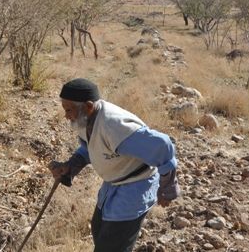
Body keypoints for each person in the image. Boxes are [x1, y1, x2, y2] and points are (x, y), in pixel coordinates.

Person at [49, 78, 180, 252]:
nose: (66, 116)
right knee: (99, 230)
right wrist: (71, 166)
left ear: (88, 106)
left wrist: (168, 187)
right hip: (113, 185)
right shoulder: (84, 118)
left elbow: (162, 146)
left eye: (69, 110)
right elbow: (91, 147)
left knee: (112, 245)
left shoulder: (114, 125)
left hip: (135, 186)